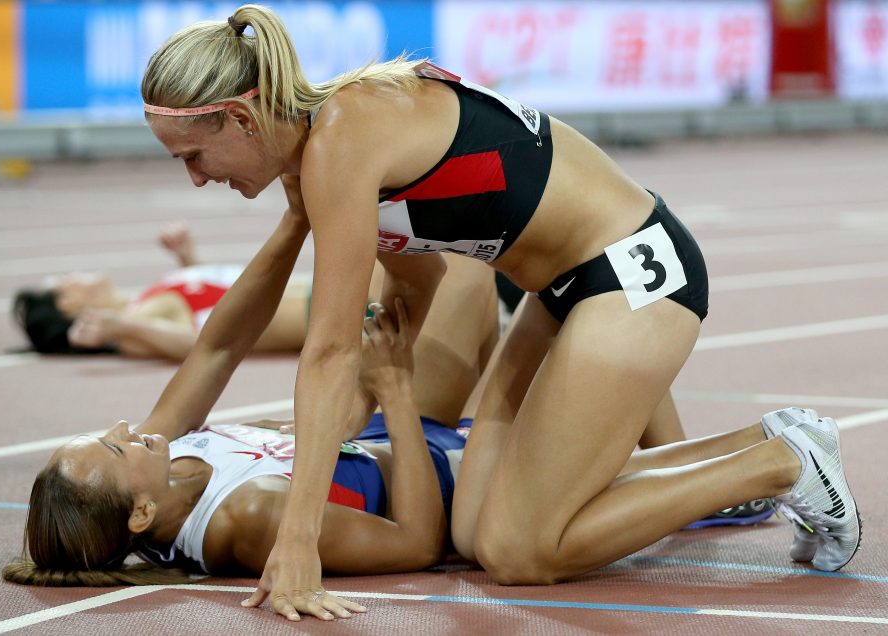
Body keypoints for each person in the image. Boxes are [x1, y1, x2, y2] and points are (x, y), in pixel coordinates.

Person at [139, 5, 861, 620]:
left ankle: (779, 463)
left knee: (521, 553)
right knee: (477, 523)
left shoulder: (341, 141)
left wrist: (297, 540)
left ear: (239, 116)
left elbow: (326, 350)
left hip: (631, 272)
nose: (199, 179)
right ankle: (762, 442)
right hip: (558, 292)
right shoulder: (323, 151)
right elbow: (413, 281)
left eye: (193, 156)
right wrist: (385, 366)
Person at [3, 253, 499, 602]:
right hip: (458, 473)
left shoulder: (162, 461)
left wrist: (297, 217)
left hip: (394, 432)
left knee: (445, 257)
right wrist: (393, 390)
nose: (121, 426)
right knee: (549, 310)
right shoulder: (246, 518)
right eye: (114, 449)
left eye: (105, 433)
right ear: (141, 513)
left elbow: (218, 346)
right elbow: (419, 542)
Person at [12, 219, 317, 361]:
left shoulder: (142, 304)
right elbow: (202, 345)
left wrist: (188, 259)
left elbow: (220, 304)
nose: (75, 273)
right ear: (68, 301)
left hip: (320, 296)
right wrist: (120, 325)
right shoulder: (136, 323)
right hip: (318, 311)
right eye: (66, 278)